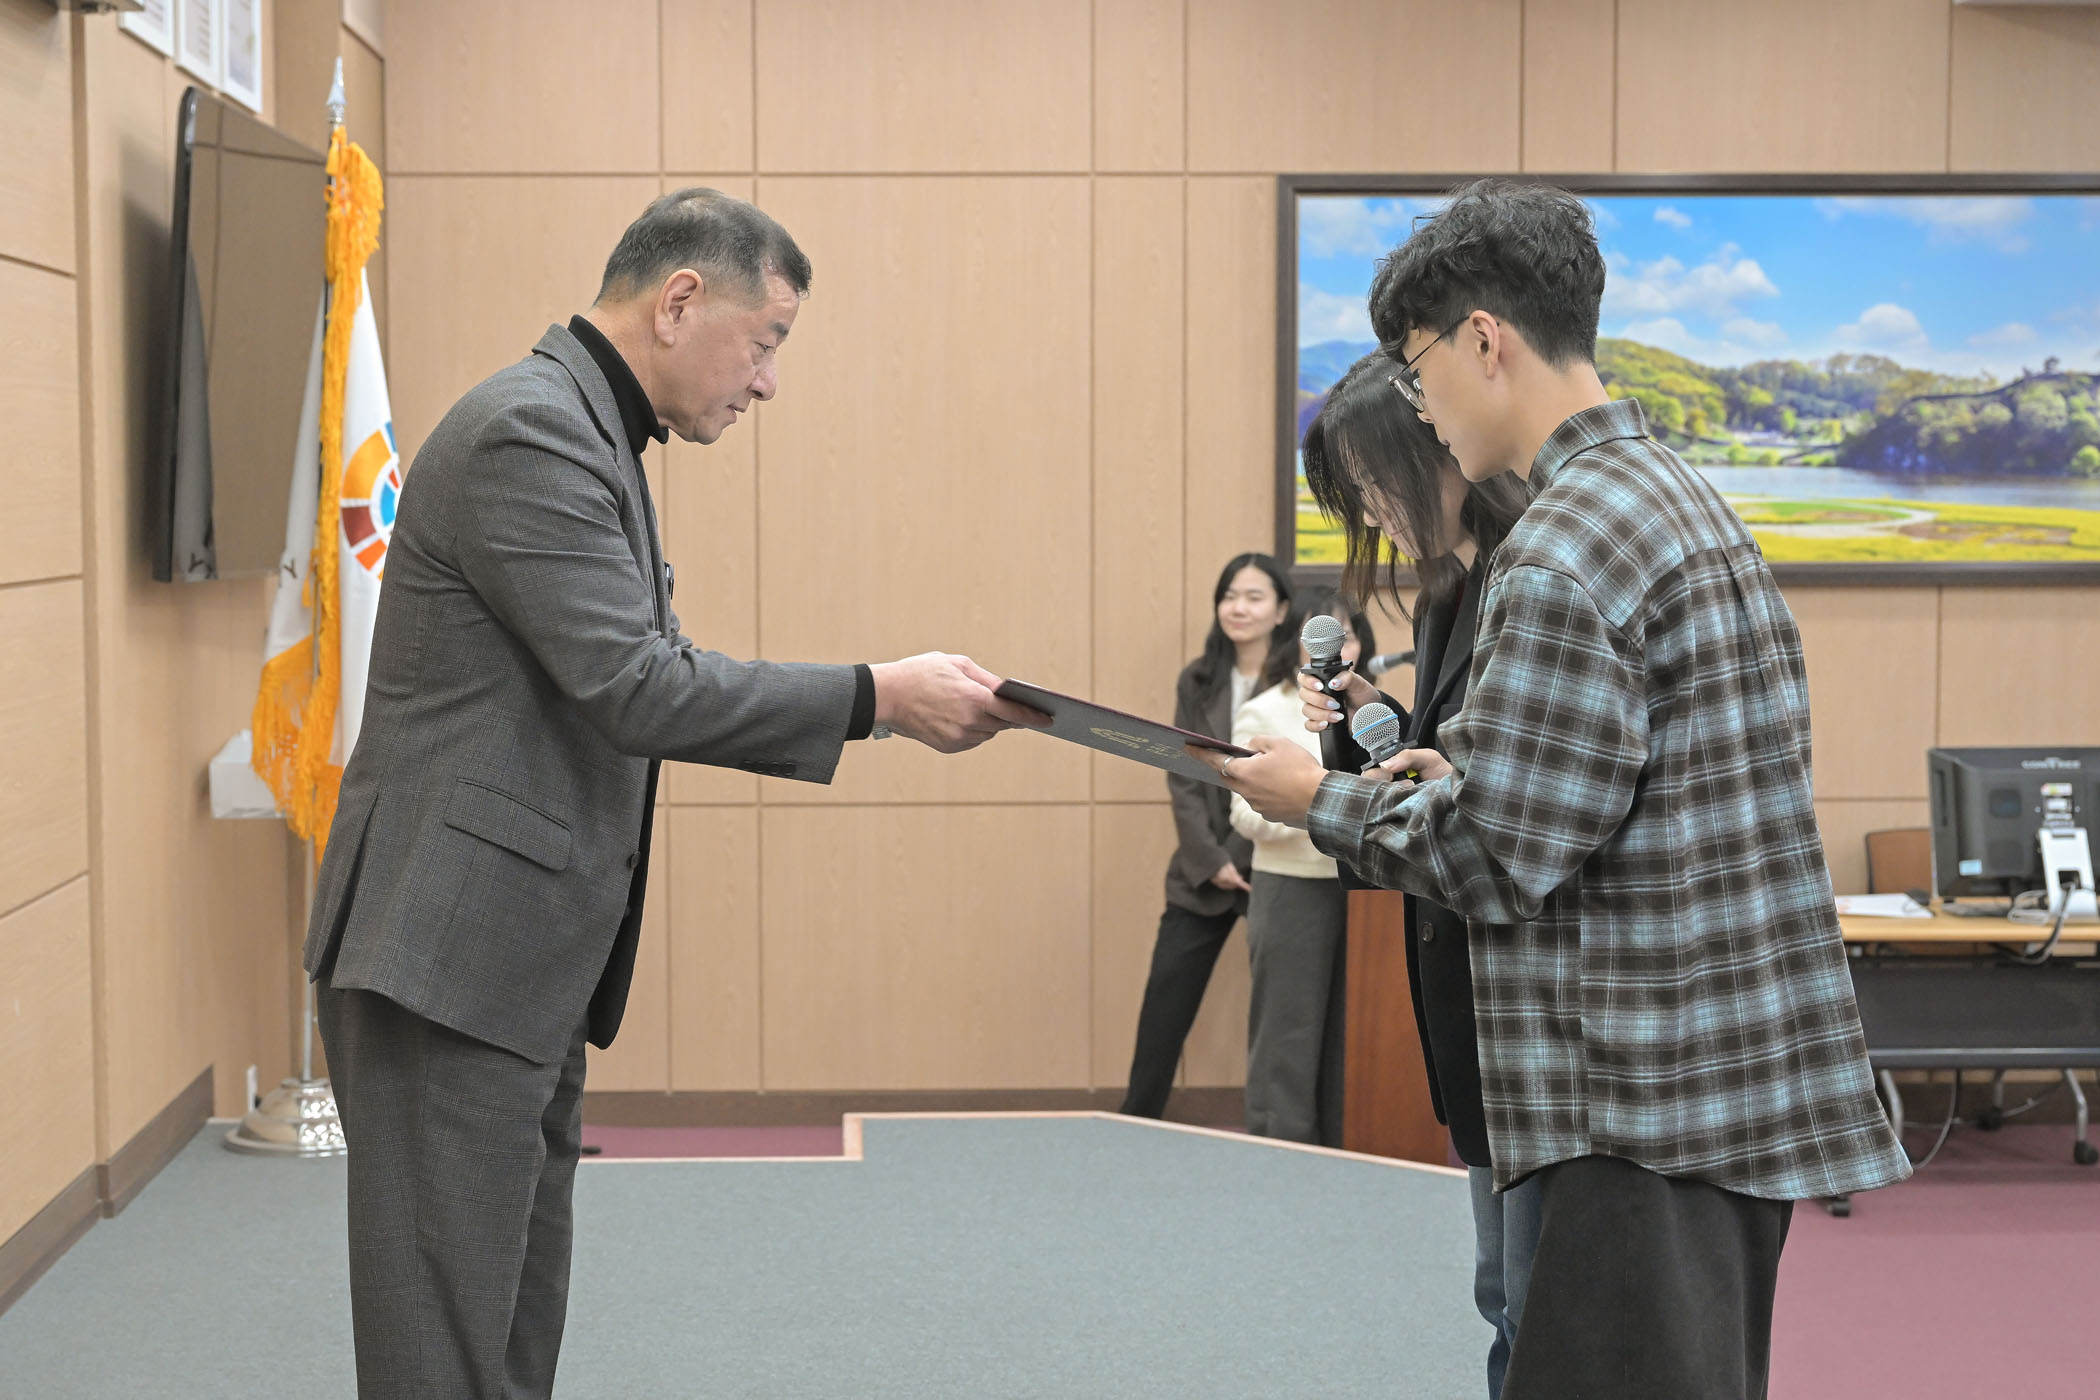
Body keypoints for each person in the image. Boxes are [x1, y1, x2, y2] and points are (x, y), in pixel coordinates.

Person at [302, 187, 1044, 1399]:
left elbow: (648, 670)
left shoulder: (591, 432)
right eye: (766, 343)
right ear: (680, 301)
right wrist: (880, 696)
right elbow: (638, 687)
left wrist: (879, 695)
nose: (767, 382)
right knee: (443, 1352)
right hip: (447, 958)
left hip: (511, 962)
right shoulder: (531, 433)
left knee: (506, 1337)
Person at [1198, 179, 1909, 1400]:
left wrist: (1317, 795)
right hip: (1710, 1085)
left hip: (1630, 1101)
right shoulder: (1674, 495)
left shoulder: (1563, 546)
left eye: (1417, 367)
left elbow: (1493, 852)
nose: (1421, 406)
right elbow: (1606, 798)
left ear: (1484, 339)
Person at [1297, 352, 1537, 1396]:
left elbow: (1512, 812)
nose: (1370, 515)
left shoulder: (1537, 578)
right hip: (1469, 1006)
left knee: (1535, 1303)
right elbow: (1444, 766)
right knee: (1502, 1293)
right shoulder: (1451, 591)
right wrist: (1365, 727)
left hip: (1535, 1017)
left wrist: (1313, 796)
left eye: (1370, 484)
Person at [1119, 552, 1296, 1121]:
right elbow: (1183, 774)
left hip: (1271, 862)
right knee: (1165, 1000)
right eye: (1229, 596)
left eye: (1253, 597)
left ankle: (1284, 1126)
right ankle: (1136, 1118)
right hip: (1202, 869)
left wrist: (1241, 853)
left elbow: (1292, 778)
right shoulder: (1197, 679)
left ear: (1281, 611)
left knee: (1284, 1008)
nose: (1238, 608)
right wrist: (1212, 858)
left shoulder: (1299, 685)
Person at [1229, 585, 1370, 1147]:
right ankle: (1280, 1153)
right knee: (1287, 1034)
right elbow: (1243, 812)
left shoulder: (1373, 712)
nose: (1334, 649)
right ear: (1295, 644)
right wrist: (1323, 812)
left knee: (1352, 1036)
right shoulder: (1264, 711)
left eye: (1346, 636)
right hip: (1291, 890)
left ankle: (1348, 1152)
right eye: (1320, 637)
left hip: (1367, 895)